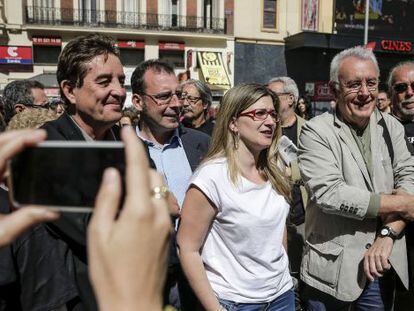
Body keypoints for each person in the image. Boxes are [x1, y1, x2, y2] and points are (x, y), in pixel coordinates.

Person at [39, 33, 153, 310]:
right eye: (104, 81)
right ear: (69, 90)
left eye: (121, 81)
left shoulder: (130, 142)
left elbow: (159, 204)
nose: (119, 91)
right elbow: (95, 232)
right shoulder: (48, 145)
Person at [0, 127, 171, 311]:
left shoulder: (130, 142)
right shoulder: (55, 137)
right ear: (70, 96)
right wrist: (136, 302)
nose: (119, 95)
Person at [299, 46, 414, 310]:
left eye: (371, 83)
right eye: (354, 84)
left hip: (381, 264)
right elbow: (331, 194)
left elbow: (408, 177)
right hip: (330, 270)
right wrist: (403, 205)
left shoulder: (391, 126)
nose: (364, 93)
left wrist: (387, 233)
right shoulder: (316, 131)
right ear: (335, 88)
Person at [177, 83, 294, 311]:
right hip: (235, 303)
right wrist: (215, 308)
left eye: (272, 114)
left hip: (281, 297)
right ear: (232, 123)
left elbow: (278, 230)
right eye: (259, 114)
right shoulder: (211, 177)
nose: (270, 121)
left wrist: (283, 275)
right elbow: (187, 248)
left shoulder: (275, 170)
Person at [130, 59, 210, 309]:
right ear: (138, 102)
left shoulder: (203, 144)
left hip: (199, 275)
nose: (177, 104)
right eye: (164, 97)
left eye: (178, 95)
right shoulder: (120, 149)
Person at [268, 76, 307, 310]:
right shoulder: (265, 129)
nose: (268, 101)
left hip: (304, 220)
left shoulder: (310, 131)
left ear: (290, 99)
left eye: (274, 96)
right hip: (273, 223)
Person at [387, 60, 414, 309]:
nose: (409, 93)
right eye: (401, 87)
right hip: (384, 241)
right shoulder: (377, 128)